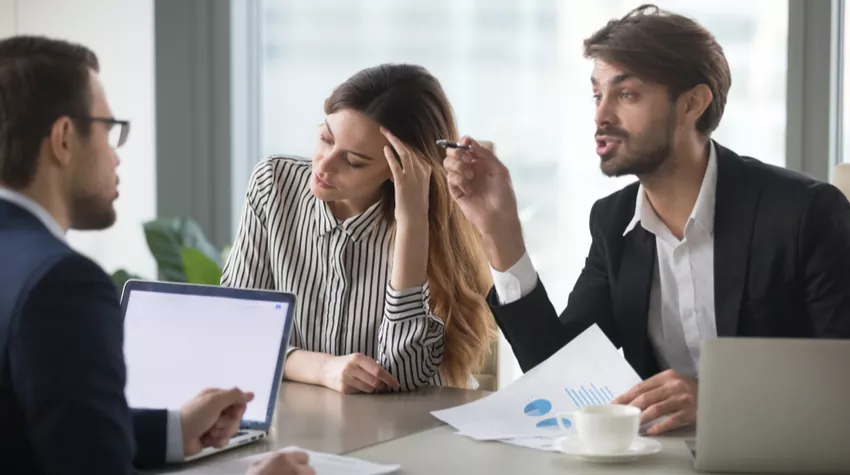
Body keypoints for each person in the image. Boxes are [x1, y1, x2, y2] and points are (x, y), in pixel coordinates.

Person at [445, 4, 850, 435]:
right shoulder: (613, 222)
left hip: (781, 453)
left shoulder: (805, 214)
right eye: (597, 95)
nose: (601, 116)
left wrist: (719, 397)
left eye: (627, 94)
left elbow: (843, 377)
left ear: (693, 103)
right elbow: (558, 373)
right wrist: (501, 232)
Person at [0, 35, 312, 475]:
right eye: (109, 130)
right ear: (64, 139)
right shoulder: (60, 283)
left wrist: (173, 429)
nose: (115, 156)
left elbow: (41, 430)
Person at [222, 64, 494, 393]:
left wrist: (412, 223)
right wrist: (322, 368)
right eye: (325, 138)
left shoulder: (430, 227)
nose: (324, 164)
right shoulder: (273, 185)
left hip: (402, 432)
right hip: (301, 423)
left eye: (353, 162)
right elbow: (236, 334)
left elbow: (403, 375)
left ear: (400, 170)